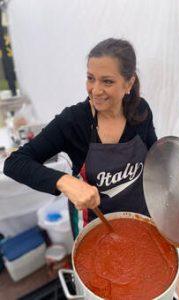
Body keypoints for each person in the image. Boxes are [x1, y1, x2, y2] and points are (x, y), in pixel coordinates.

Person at [3, 38, 157, 238]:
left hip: (137, 216)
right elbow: (15, 163)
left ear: (129, 83)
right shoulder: (73, 121)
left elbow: (154, 156)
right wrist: (65, 181)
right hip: (94, 225)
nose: (95, 90)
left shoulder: (140, 110)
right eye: (90, 78)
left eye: (107, 81)